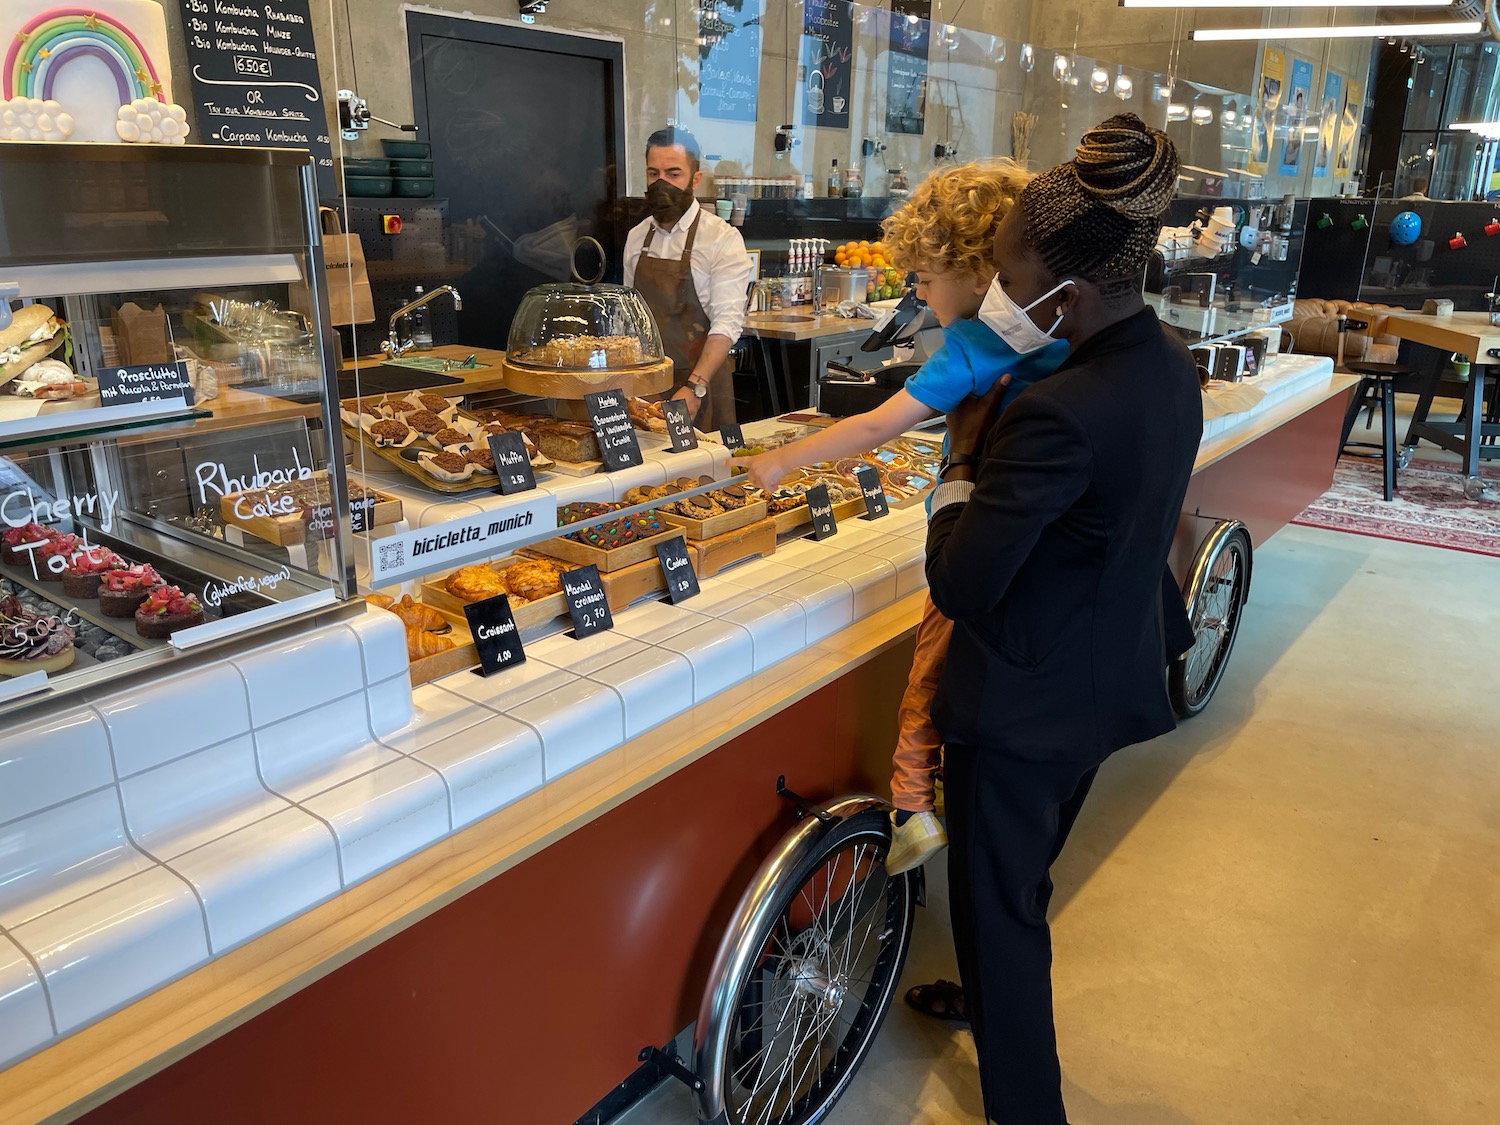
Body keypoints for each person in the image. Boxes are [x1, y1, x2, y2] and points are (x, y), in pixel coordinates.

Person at [918, 114, 1202, 1125]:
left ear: (1066, 293)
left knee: (1001, 911)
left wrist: (957, 465)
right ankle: (988, 995)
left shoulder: (1055, 410)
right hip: (1106, 672)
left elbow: (963, 582)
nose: (999, 294)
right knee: (1023, 881)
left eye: (1006, 273)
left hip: (1027, 701)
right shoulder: (1168, 361)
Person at [740, 160, 1068, 874]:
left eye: (924, 276)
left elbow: (874, 427)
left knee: (925, 672)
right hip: (1034, 549)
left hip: (975, 539)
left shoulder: (979, 345)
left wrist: (781, 460)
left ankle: (914, 805)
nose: (916, 292)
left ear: (976, 272)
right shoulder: (1055, 331)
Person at [624, 126, 754, 431]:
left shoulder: (721, 239)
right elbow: (630, 321)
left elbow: (726, 324)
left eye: (673, 174)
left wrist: (695, 388)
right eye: (653, 174)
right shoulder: (637, 237)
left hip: (702, 386)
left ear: (695, 179)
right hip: (647, 388)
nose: (661, 184)